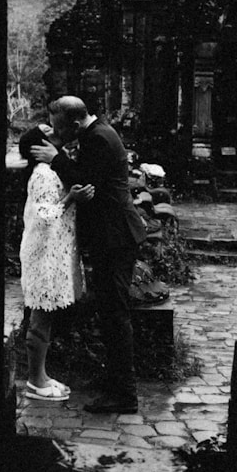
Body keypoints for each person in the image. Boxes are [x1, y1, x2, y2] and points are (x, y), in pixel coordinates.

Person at [29, 96, 146, 414]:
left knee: (115, 315)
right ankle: (114, 381)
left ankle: (125, 395)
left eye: (59, 128)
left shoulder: (98, 139)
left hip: (116, 237)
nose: (56, 133)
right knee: (109, 312)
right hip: (113, 237)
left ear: (75, 123)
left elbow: (83, 181)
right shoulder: (98, 132)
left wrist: (55, 158)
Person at [15, 124, 94, 401]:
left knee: (46, 318)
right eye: (48, 131)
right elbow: (44, 216)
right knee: (40, 317)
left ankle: (42, 374)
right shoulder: (43, 174)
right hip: (43, 255)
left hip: (54, 253)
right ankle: (35, 381)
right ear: (39, 147)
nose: (55, 131)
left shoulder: (52, 170)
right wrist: (71, 198)